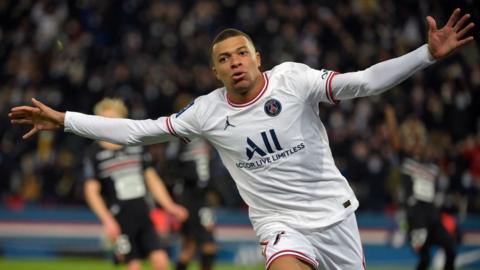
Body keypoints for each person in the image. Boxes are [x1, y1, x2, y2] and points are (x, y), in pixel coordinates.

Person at [9, 8, 475, 270]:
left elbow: (365, 82)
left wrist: (426, 55)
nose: (234, 62)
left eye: (241, 53)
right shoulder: (207, 111)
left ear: (258, 58)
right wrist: (65, 119)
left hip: (334, 216)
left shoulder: (294, 80)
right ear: (214, 71)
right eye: (224, 58)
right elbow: (138, 131)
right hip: (279, 225)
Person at [82, 98, 188, 270]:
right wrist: (107, 220)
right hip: (119, 218)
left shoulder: (135, 145)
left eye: (113, 119)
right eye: (104, 119)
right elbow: (91, 191)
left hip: (144, 215)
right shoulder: (94, 153)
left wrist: (170, 206)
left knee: (161, 261)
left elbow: (152, 178)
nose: (109, 124)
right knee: (133, 266)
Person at [385, 107, 458, 270]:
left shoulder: (432, 165)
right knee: (424, 256)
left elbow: (444, 142)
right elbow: (395, 140)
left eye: (420, 142)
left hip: (433, 214)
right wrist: (390, 116)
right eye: (414, 142)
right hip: (416, 215)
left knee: (450, 248)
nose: (418, 144)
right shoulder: (406, 161)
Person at [164, 136, 217, 270]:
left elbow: (209, 167)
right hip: (188, 198)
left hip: (202, 197)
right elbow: (169, 168)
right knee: (204, 245)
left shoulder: (205, 136)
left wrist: (211, 189)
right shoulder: (179, 139)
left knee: (191, 246)